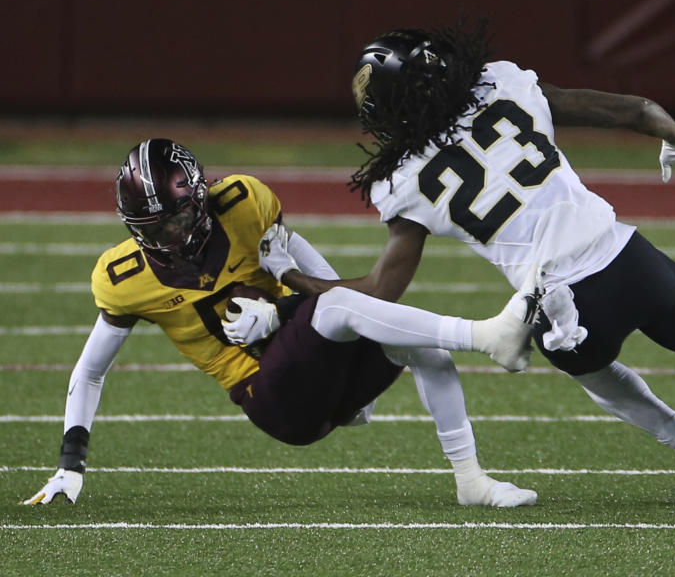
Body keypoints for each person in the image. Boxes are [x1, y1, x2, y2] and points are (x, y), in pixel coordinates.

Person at [262, 20, 675, 507]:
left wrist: (294, 278)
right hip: (630, 257)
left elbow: (380, 290)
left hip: (562, 304)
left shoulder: (403, 180)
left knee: (599, 378)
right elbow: (630, 108)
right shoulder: (502, 84)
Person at [21, 139, 538, 508]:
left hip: (310, 368)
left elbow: (319, 278)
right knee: (340, 312)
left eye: (178, 219)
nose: (173, 235)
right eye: (156, 227)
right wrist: (71, 463)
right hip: (269, 399)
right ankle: (487, 337)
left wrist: (305, 305)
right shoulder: (123, 276)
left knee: (418, 345)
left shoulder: (244, 202)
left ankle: (471, 480)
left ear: (201, 200)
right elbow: (89, 371)